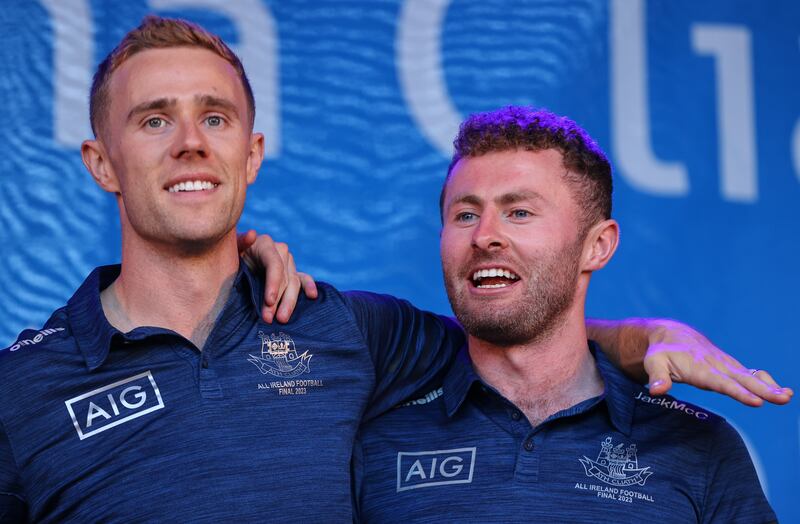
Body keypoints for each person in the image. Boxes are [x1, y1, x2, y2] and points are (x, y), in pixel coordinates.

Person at [0, 17, 788, 522]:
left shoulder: (343, 329)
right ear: (101, 163)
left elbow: (520, 334)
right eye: (152, 120)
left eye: (214, 117)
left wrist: (650, 333)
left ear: (252, 153)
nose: (190, 143)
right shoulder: (19, 388)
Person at [352, 107, 780, 523]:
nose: (484, 236)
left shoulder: (699, 447)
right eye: (465, 214)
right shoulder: (374, 440)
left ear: (597, 246)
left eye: (519, 212)